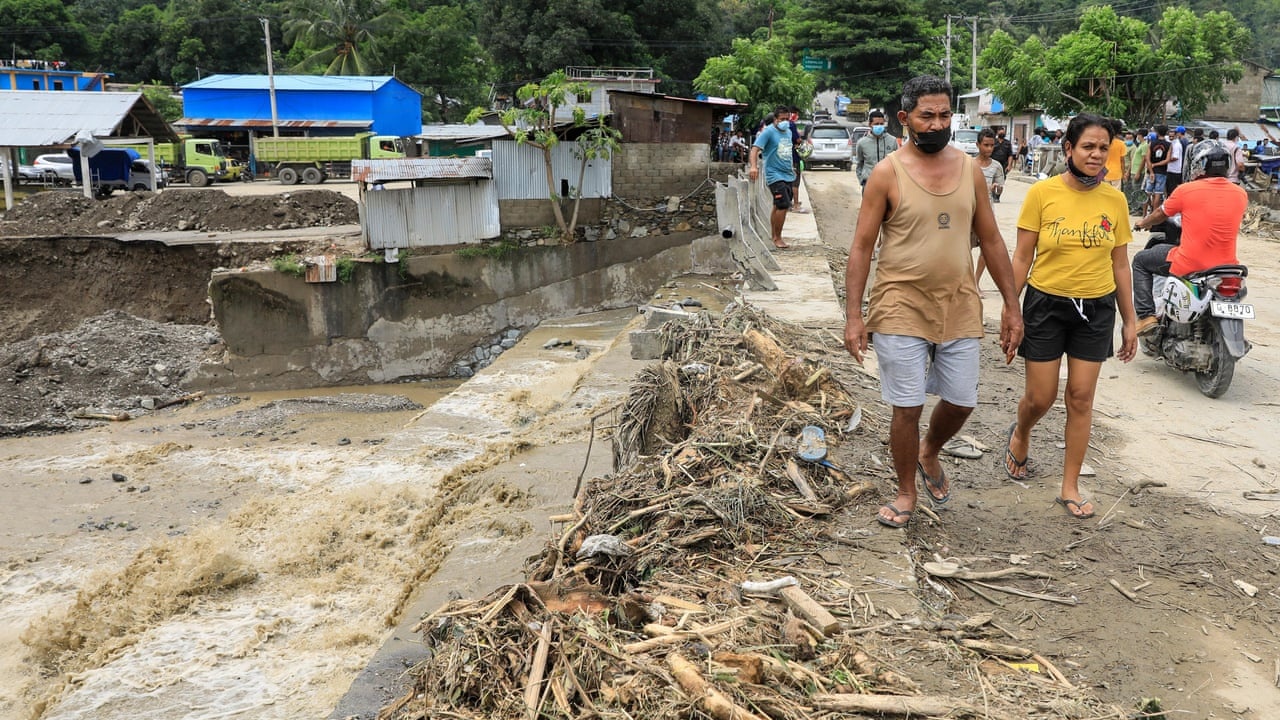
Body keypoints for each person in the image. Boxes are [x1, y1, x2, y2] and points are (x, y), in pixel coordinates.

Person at [842, 75, 1024, 529]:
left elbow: (992, 238)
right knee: (907, 406)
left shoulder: (969, 170)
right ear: (905, 119)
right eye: (928, 115)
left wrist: (1011, 304)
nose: (938, 123)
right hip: (899, 302)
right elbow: (862, 247)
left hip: (960, 302)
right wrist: (853, 316)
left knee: (962, 400)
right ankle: (905, 492)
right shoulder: (887, 173)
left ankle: (930, 451)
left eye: (945, 115)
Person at [1004, 113, 1138, 520]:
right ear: (1069, 149)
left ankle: (1069, 486)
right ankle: (1021, 432)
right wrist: (1012, 310)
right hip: (1045, 305)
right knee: (1040, 397)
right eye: (1088, 147)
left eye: (1104, 148)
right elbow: (1023, 256)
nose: (1097, 155)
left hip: (1095, 308)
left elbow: (1120, 264)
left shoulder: (1115, 200)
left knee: (1080, 397)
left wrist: (1129, 320)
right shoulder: (1042, 194)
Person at [1132, 141, 1247, 335]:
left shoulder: (1186, 190)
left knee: (1140, 261)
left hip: (1190, 263)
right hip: (1228, 267)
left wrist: (1143, 223)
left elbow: (1161, 213)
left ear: (1198, 164)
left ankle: (1146, 316)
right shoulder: (1241, 194)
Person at [749, 106, 797, 249]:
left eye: (787, 119)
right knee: (783, 204)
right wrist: (753, 166)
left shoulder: (788, 132)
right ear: (775, 119)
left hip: (788, 173)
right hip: (774, 174)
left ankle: (774, 235)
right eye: (782, 119)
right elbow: (755, 149)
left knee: (778, 206)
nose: (785, 122)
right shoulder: (768, 131)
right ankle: (778, 238)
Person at [855, 109, 896, 188]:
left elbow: (898, 163)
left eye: (881, 124)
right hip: (869, 184)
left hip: (888, 185)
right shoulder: (862, 143)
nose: (879, 126)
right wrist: (862, 180)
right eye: (876, 124)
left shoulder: (892, 141)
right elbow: (859, 164)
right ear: (870, 124)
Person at [1145, 126, 1172, 215]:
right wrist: (1157, 164)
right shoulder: (1169, 145)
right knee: (1158, 194)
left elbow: (1147, 158)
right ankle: (1154, 214)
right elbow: (1167, 160)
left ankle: (1144, 214)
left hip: (1151, 172)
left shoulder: (1151, 143)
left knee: (1147, 193)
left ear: (1157, 133)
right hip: (1162, 172)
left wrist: (1152, 170)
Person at [787, 107, 809, 214]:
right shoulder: (791, 125)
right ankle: (795, 205)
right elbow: (798, 140)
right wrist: (799, 141)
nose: (797, 116)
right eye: (796, 114)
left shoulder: (784, 125)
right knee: (795, 182)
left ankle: (791, 202)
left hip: (786, 157)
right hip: (793, 157)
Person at [1104, 119, 1127, 189]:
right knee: (1116, 194)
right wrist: (1123, 174)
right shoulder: (1121, 144)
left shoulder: (1104, 143)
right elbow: (1122, 161)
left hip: (1104, 173)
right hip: (1117, 173)